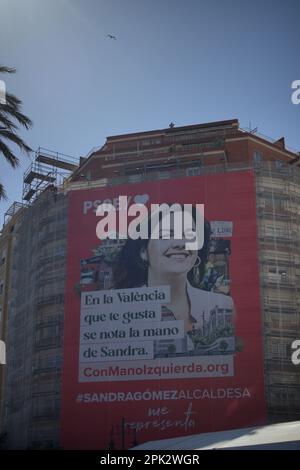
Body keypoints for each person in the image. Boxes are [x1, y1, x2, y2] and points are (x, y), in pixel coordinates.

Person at [113, 206, 235, 356]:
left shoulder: (223, 305)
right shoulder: (120, 310)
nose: (180, 243)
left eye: (189, 235)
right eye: (165, 235)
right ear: (143, 252)